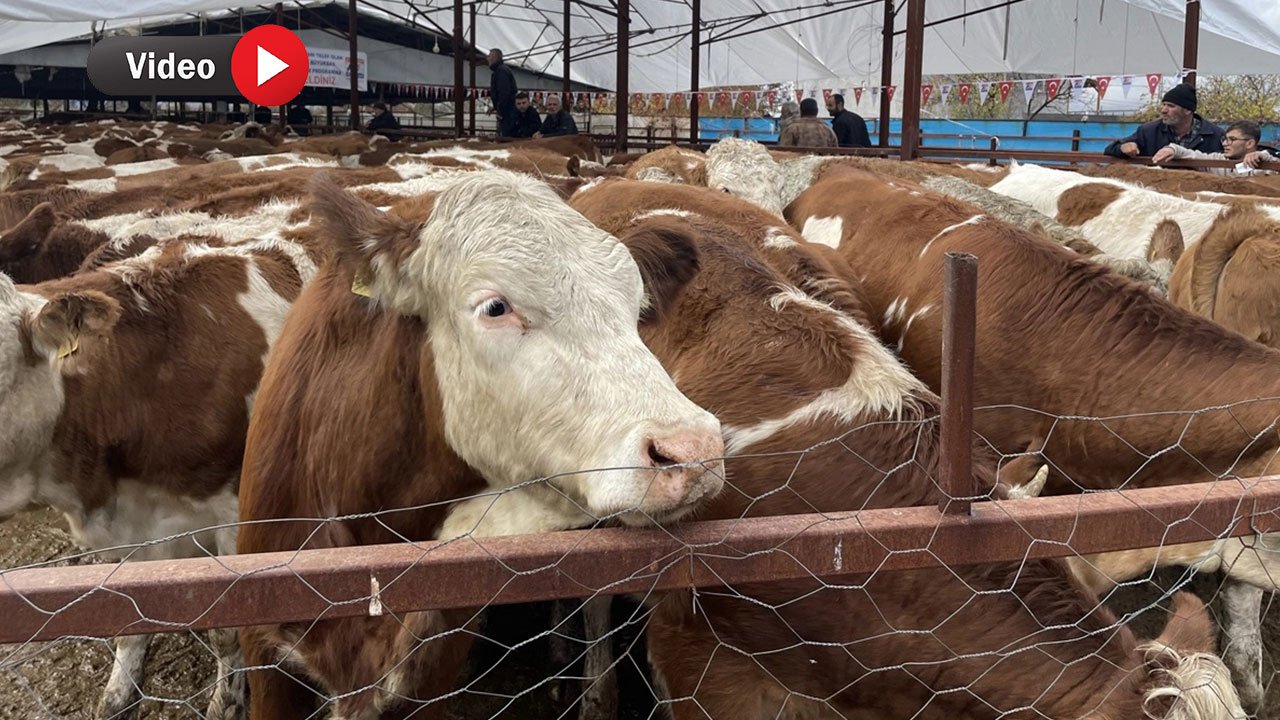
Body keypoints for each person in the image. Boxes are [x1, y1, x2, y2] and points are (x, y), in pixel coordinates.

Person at [1104, 82, 1225, 158]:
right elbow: (1109, 150)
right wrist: (1123, 147)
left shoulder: (1215, 135)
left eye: (1171, 106)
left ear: (1188, 110)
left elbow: (1234, 159)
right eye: (1164, 105)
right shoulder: (1148, 131)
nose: (1163, 110)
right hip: (1159, 195)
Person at [1152, 120, 1280, 176]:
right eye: (1225, 139)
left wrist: (1263, 156)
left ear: (1250, 144)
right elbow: (1192, 155)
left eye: (1232, 140)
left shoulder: (1266, 165)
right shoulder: (1217, 160)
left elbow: (1274, 163)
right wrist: (1173, 149)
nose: (1225, 143)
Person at [487, 48, 518, 137]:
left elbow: (504, 93)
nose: (487, 58)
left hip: (507, 111)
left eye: (489, 56)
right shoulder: (501, 70)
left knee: (507, 134)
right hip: (507, 109)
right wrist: (496, 106)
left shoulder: (501, 71)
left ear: (494, 57)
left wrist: (500, 110)